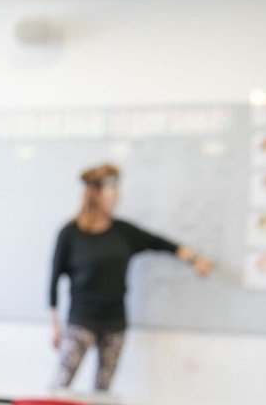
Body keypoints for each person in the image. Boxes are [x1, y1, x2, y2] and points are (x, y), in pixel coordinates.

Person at [49, 162, 213, 390]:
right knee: (60, 384)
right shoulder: (70, 233)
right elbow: (54, 280)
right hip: (81, 321)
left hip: (114, 323)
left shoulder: (122, 232)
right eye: (112, 189)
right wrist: (55, 326)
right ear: (95, 193)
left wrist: (195, 260)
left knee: (102, 391)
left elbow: (161, 243)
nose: (117, 195)